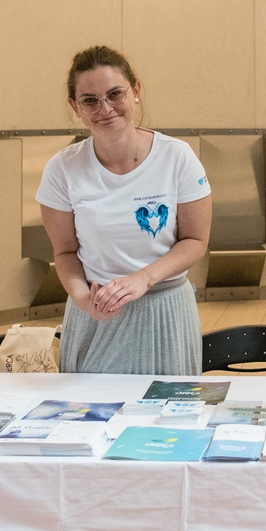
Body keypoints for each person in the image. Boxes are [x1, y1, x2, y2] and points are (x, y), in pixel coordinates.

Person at [37, 44, 212, 375]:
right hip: (97, 316)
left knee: (169, 406)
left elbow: (195, 241)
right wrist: (83, 299)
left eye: (115, 94)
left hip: (166, 312)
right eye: (90, 100)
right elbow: (65, 253)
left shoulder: (177, 157)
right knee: (89, 407)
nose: (105, 108)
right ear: (75, 106)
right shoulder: (62, 169)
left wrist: (143, 279)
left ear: (136, 91)